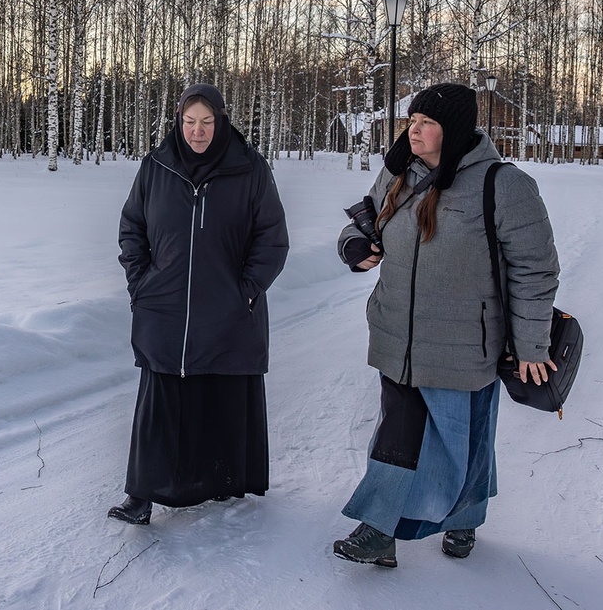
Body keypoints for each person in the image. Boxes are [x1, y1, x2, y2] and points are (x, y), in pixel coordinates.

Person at [331, 82, 559, 567]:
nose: (414, 130)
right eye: (411, 120)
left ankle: (464, 518)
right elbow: (363, 222)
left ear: (452, 129)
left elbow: (535, 269)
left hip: (465, 343)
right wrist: (353, 246)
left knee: (466, 437)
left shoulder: (503, 184)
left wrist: (532, 345)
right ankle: (380, 529)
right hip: (397, 335)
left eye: (426, 123)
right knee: (398, 433)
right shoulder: (400, 175)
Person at [109, 83, 290, 525]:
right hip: (164, 311)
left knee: (223, 395)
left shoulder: (250, 168)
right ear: (178, 121)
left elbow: (272, 239)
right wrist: (142, 284)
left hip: (229, 310)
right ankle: (142, 496)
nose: (198, 132)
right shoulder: (156, 167)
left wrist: (244, 290)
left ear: (222, 121)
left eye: (207, 122)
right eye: (190, 122)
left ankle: (224, 481)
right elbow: (132, 227)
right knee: (160, 405)